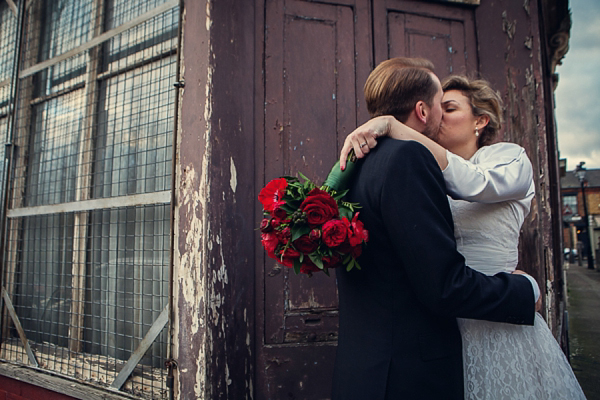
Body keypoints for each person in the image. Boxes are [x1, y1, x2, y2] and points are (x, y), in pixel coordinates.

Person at [339, 72, 586, 399]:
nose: (438, 114)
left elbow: (474, 183)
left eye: (449, 107)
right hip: (443, 325)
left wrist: (395, 127)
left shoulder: (509, 158)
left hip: (498, 318)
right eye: (437, 106)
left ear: (480, 121)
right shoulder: (418, 168)